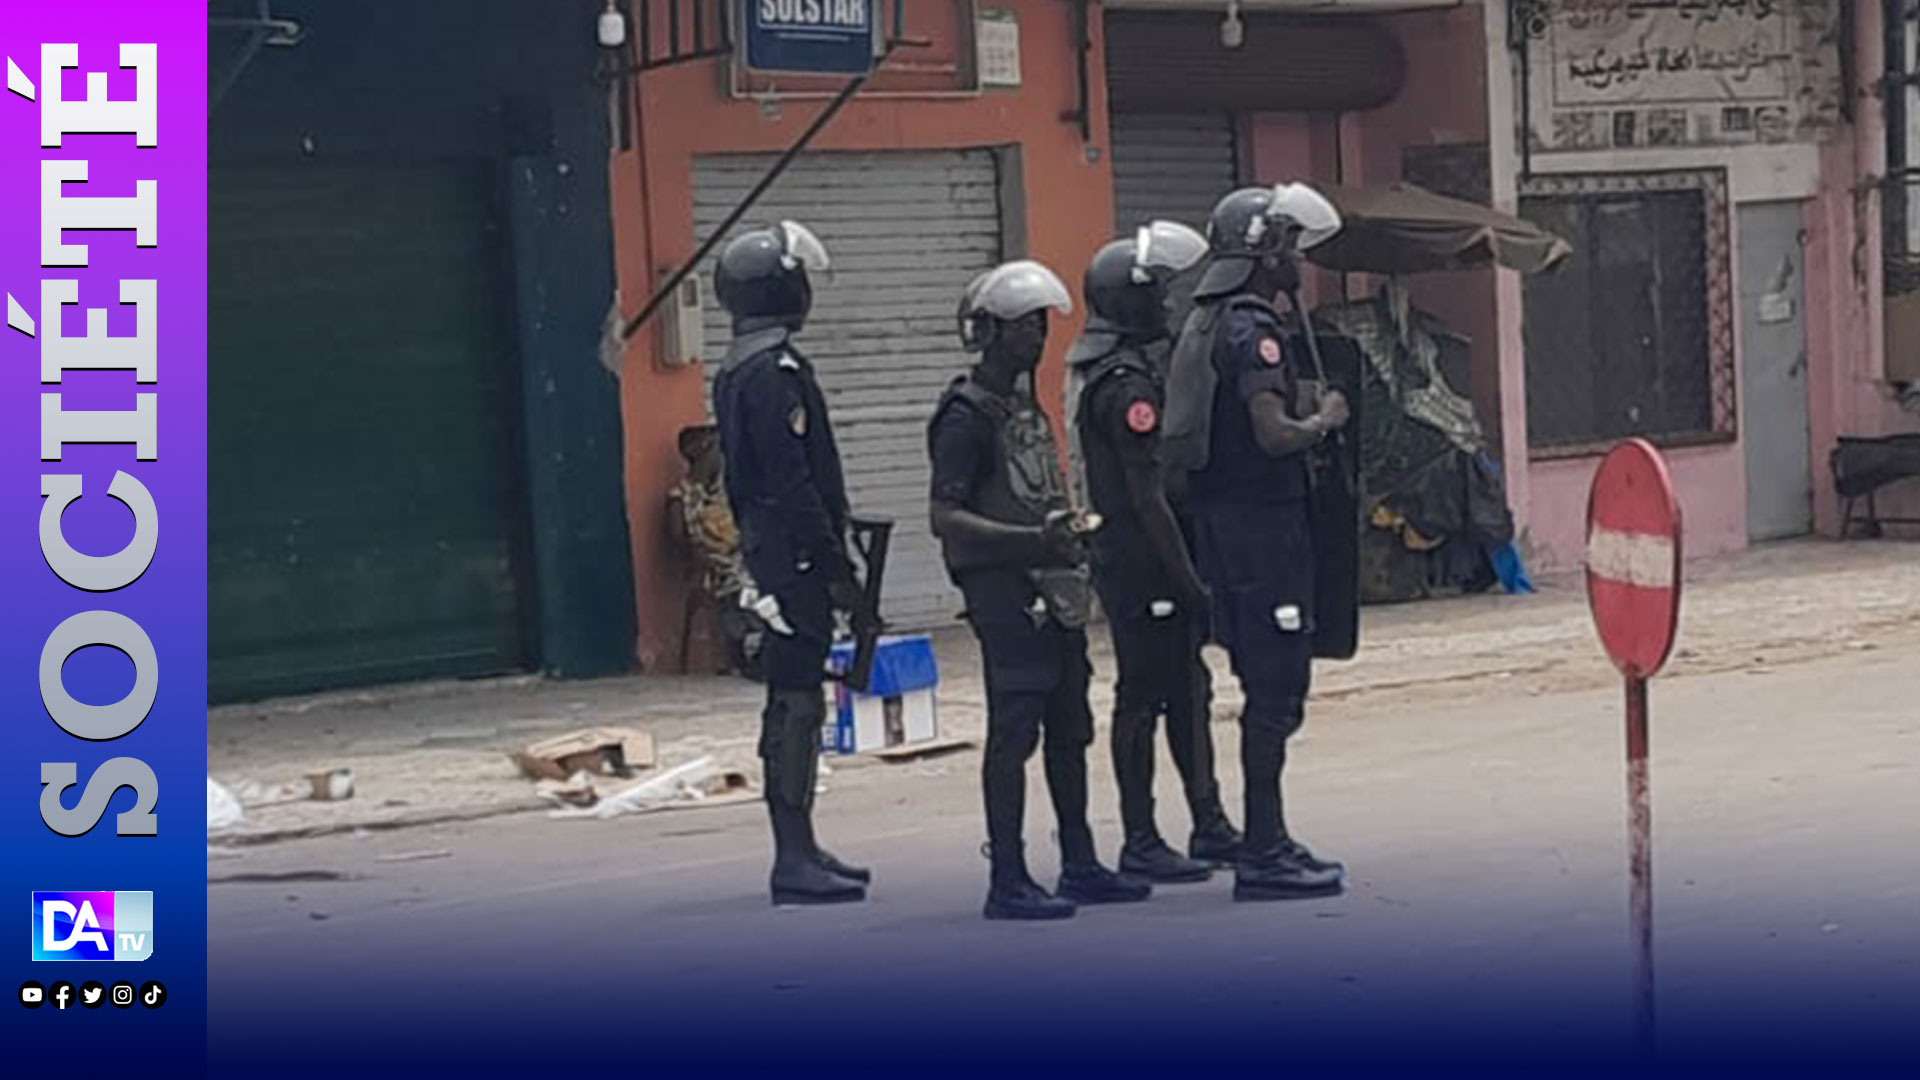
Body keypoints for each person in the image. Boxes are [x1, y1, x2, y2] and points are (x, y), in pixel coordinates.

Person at [928, 259, 1150, 921]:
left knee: (1069, 727)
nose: (1037, 337)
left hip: (1055, 588)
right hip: (1006, 591)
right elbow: (945, 515)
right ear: (989, 332)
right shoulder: (965, 416)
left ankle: (1078, 860)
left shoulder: (1022, 406)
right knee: (1014, 732)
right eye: (1024, 325)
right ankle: (1009, 875)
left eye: (1041, 324)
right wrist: (1031, 543)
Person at [1162, 184, 1352, 901]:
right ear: (1263, 250)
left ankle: (1267, 838)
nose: (1297, 265)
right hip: (1262, 536)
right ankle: (1264, 851)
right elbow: (1273, 434)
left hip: (1228, 533)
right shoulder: (1252, 330)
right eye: (1289, 249)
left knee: (1264, 684)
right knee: (1275, 692)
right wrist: (1325, 420)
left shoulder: (1206, 319)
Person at [1065, 222, 1242, 882]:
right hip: (1141, 564)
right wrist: (1190, 579)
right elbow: (1147, 498)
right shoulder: (1126, 388)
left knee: (1188, 688)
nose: (1168, 307)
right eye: (1157, 296)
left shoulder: (1126, 373)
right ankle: (1141, 836)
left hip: (1145, 556)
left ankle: (1209, 820)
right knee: (1143, 694)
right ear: (1128, 303)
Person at [710, 220, 869, 906]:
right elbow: (792, 480)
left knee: (798, 697)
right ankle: (792, 854)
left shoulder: (746, 364)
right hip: (792, 557)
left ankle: (802, 844)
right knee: (796, 703)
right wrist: (835, 565)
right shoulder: (770, 373)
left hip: (780, 551)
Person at [664, 424, 760, 677]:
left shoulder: (724, 490)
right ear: (699, 452)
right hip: (711, 565)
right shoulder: (680, 496)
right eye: (715, 450)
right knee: (735, 584)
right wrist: (704, 557)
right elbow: (679, 540)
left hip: (739, 556)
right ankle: (740, 654)